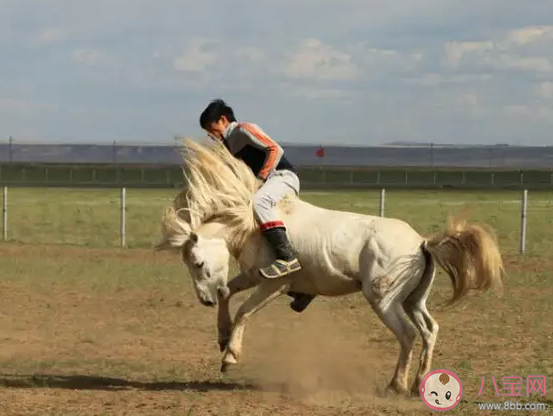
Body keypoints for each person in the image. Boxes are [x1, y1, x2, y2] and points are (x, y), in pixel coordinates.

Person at [199, 98, 315, 312]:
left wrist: (261, 179)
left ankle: (287, 258)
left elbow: (274, 149)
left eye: (211, 129)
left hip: (282, 177)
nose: (210, 134)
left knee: (258, 203)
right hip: (268, 183)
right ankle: (302, 288)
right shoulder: (228, 146)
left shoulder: (243, 130)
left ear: (223, 120)